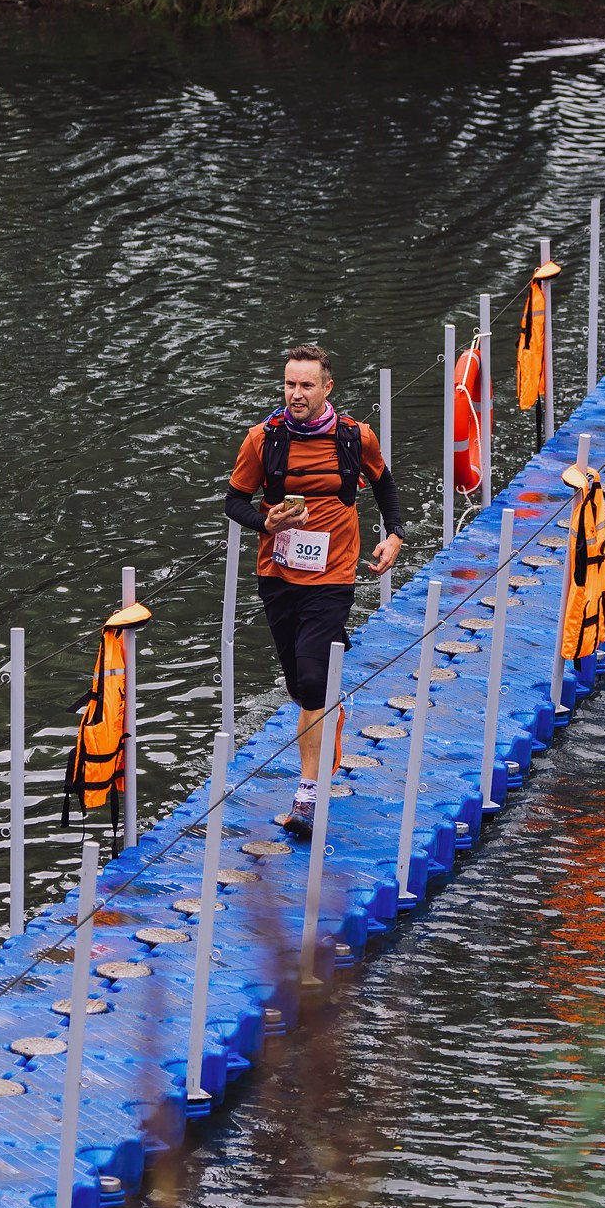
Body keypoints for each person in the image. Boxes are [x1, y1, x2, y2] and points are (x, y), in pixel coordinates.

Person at [225, 345, 404, 839]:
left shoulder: (354, 437)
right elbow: (234, 501)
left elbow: (384, 484)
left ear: (328, 388)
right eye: (289, 384)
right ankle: (328, 694)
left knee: (312, 679)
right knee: (299, 684)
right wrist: (266, 521)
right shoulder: (263, 440)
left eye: (306, 385)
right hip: (279, 575)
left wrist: (394, 535)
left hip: (333, 573)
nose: (296, 394)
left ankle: (306, 797)